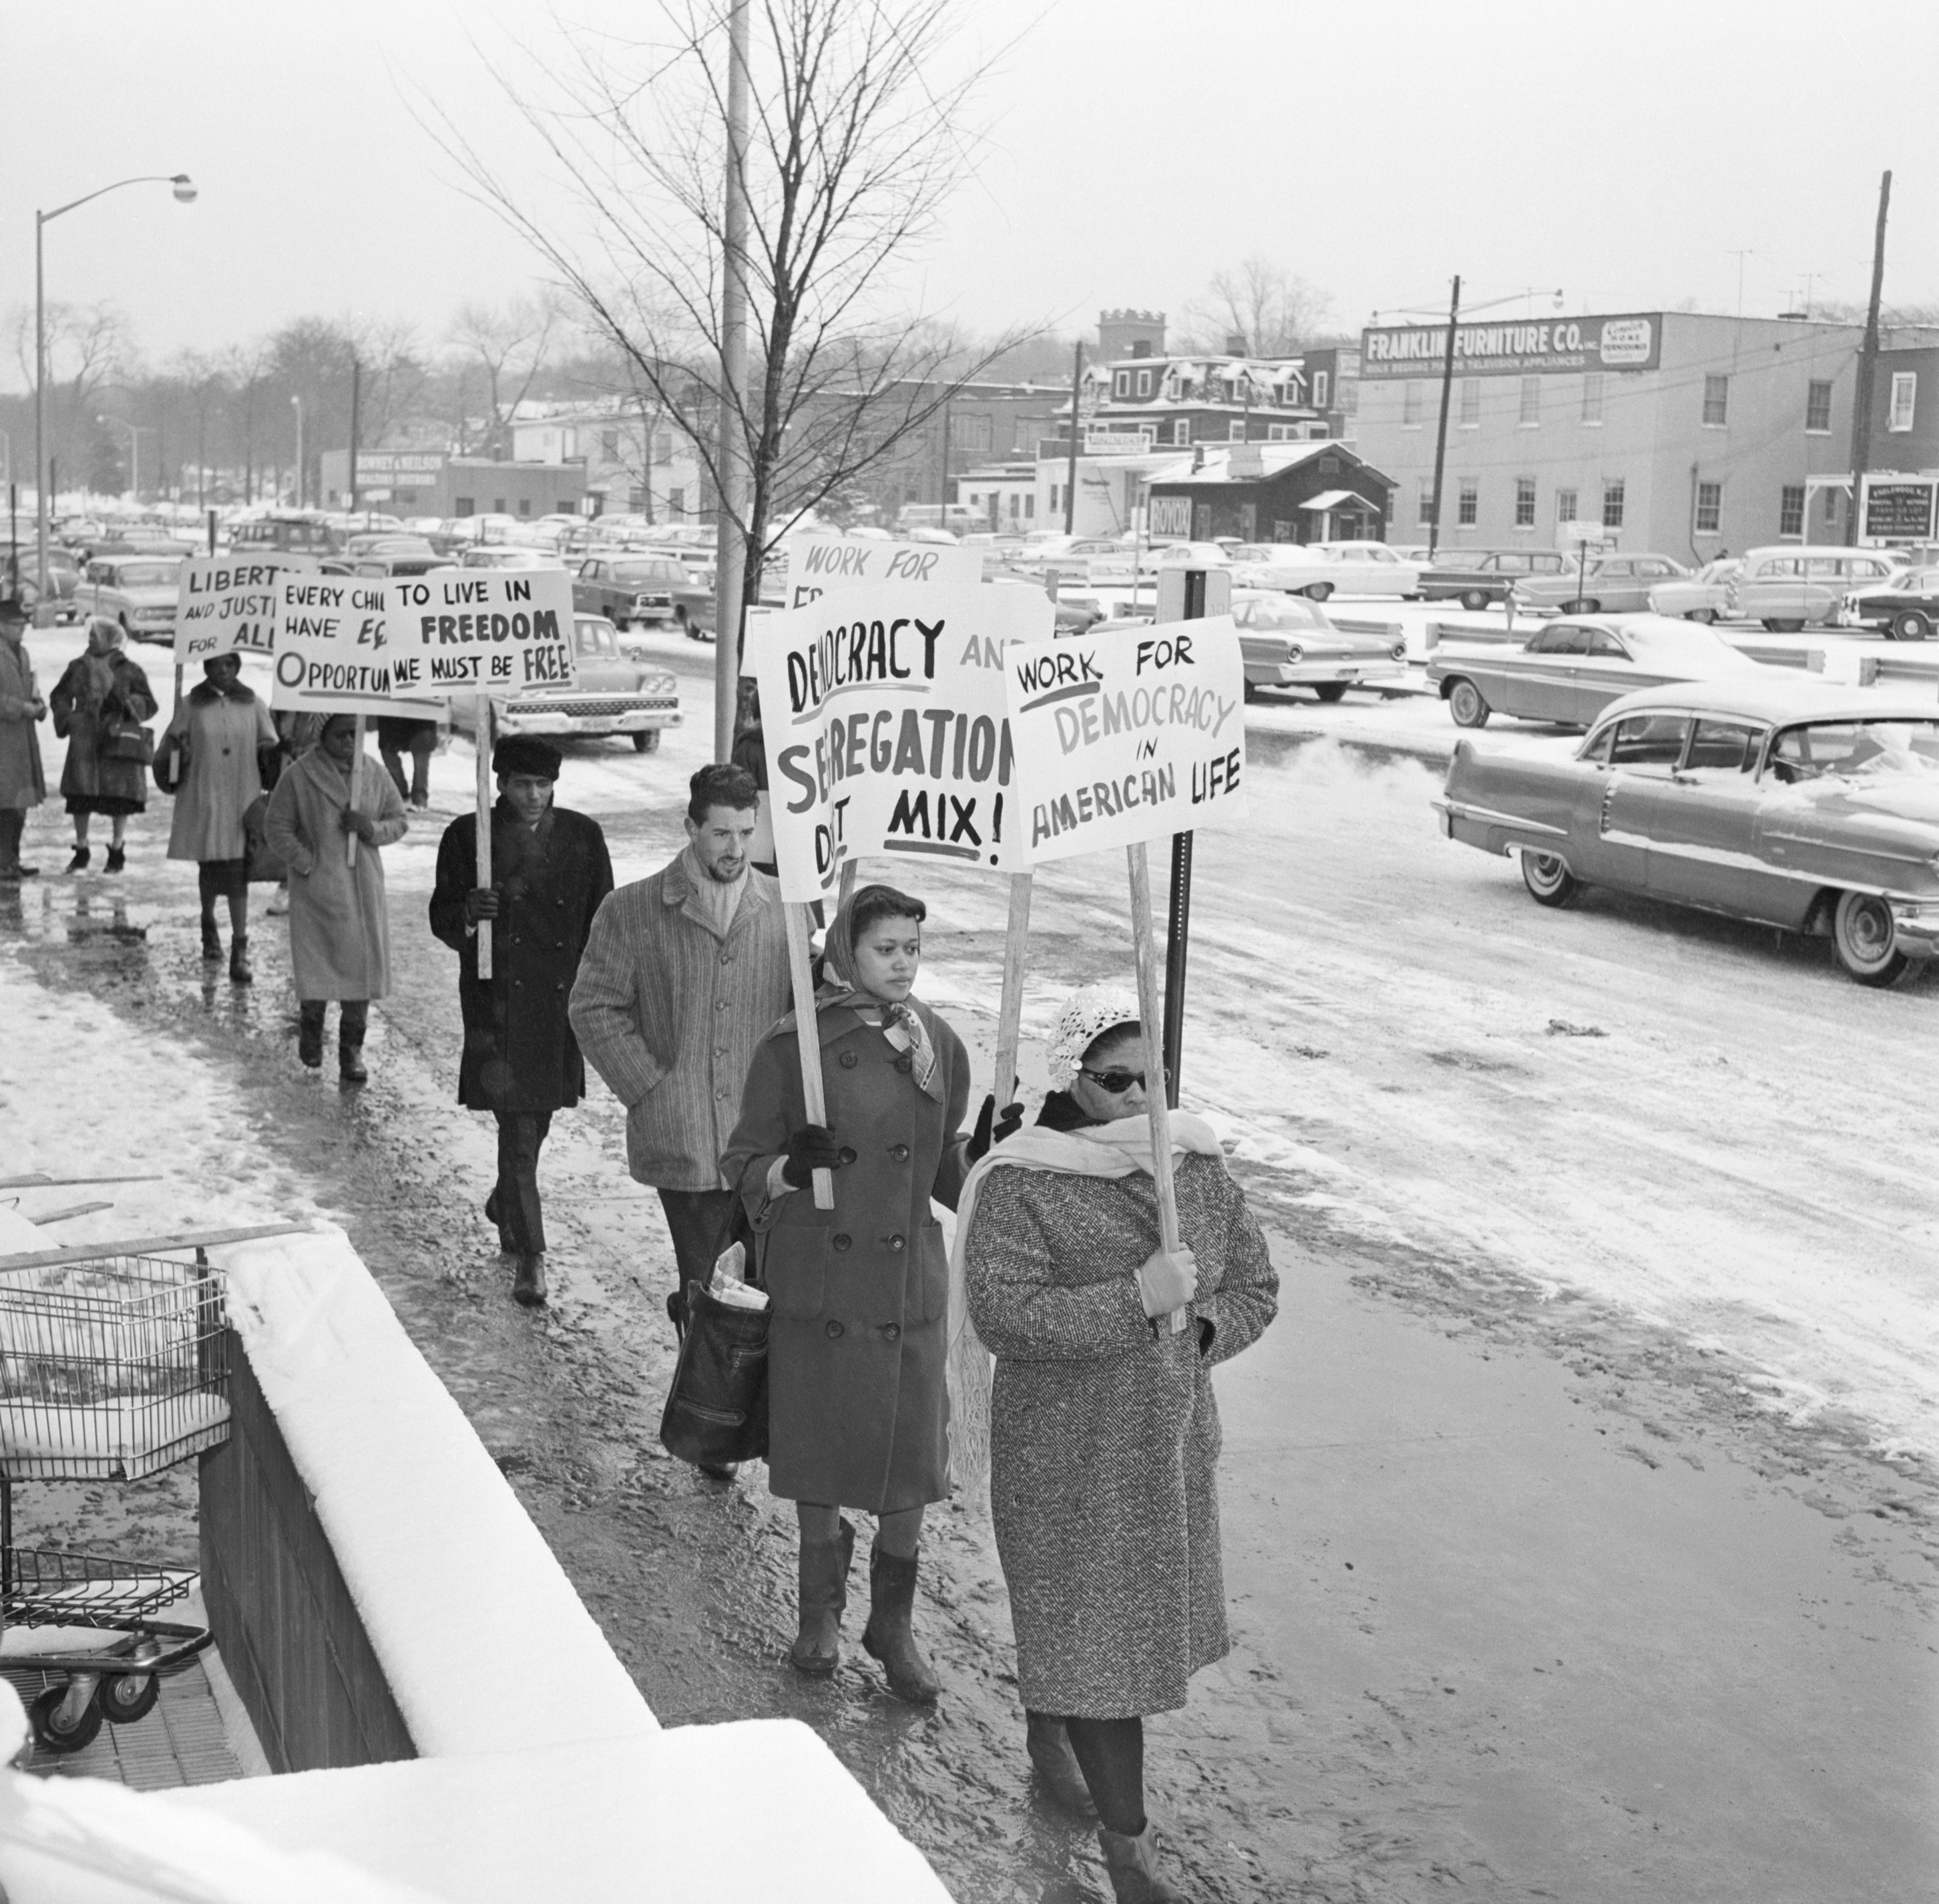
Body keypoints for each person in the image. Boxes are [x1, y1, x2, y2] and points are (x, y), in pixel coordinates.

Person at [958, 986, 1279, 1903]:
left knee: (1106, 1640)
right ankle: (1129, 1856)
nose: (1141, 1101)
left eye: (1153, 1078)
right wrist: (1136, 1296)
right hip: (1066, 1452)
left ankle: (1049, 1712)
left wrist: (1205, 1326)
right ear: (1070, 1083)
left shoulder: (1198, 1167)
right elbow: (1005, 1316)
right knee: (1103, 1653)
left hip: (1167, 1446)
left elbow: (1257, 1282)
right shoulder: (1021, 1179)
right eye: (1115, 1082)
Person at [718, 882, 1003, 1704]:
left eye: (914, 947)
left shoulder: (937, 1043)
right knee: (822, 1454)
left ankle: (893, 1624)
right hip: (827, 1279)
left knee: (911, 1462)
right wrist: (789, 1170)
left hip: (905, 1283)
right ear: (847, 949)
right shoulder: (793, 1046)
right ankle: (820, 1617)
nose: (904, 963)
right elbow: (744, 1166)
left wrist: (984, 1156)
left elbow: (943, 1169)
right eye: (887, 948)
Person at [569, 761, 791, 1328]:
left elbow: (802, 1017)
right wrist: (651, 1088)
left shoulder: (787, 912)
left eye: (747, 831)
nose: (736, 848)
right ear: (691, 827)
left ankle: (746, 1413)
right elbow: (592, 1005)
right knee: (711, 1293)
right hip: (684, 1140)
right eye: (721, 832)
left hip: (763, 1144)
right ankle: (704, 1412)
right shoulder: (633, 909)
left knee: (768, 1292)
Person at [432, 736, 614, 1308]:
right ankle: (532, 1255)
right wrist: (468, 911)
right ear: (500, 783)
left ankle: (507, 1197)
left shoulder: (583, 836)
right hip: (498, 1000)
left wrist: (601, 985)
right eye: (520, 784)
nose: (533, 795)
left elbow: (601, 916)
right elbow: (440, 915)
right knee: (517, 1126)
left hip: (560, 999)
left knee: (538, 1117)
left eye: (542, 784)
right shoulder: (469, 836)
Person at [264, 714, 409, 1083]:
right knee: (319, 969)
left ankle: (352, 1051)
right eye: (341, 733)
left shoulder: (373, 772)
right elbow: (276, 826)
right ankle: (311, 1032)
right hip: (317, 893)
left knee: (359, 975)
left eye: (355, 734)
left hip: (363, 889)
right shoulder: (299, 775)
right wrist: (306, 862)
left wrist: (371, 828)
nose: (349, 741)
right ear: (322, 733)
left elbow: (399, 819)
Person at [162, 652, 277, 982]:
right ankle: (208, 923)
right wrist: (176, 752)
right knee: (210, 867)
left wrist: (275, 755)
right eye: (216, 665)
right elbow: (169, 756)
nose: (223, 671)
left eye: (230, 664)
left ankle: (239, 949)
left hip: (242, 798)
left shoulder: (253, 703)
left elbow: (269, 744)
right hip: (205, 796)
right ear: (206, 667)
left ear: (238, 667)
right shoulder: (189, 705)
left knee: (238, 872)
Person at [50, 616, 156, 874]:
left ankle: (117, 850)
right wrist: (69, 719)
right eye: (90, 636)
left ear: (111, 640)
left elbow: (148, 703)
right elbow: (60, 696)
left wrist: (130, 704)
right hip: (85, 740)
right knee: (80, 798)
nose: (89, 640)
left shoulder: (129, 669)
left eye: (95, 636)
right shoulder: (78, 667)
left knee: (120, 797)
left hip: (118, 739)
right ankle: (81, 848)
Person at [0, 596, 46, 882]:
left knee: (19, 805)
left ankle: (11, 860)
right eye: (17, 625)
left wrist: (39, 703)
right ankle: (4, 863)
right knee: (5, 806)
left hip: (22, 742)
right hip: (4, 743)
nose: (22, 630)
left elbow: (31, 686)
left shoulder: (23, 653)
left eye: (23, 625)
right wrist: (21, 708)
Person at [377, 714, 437, 810]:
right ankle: (400, 794)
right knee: (387, 750)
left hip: (421, 712)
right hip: (392, 713)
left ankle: (419, 799)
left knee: (422, 749)